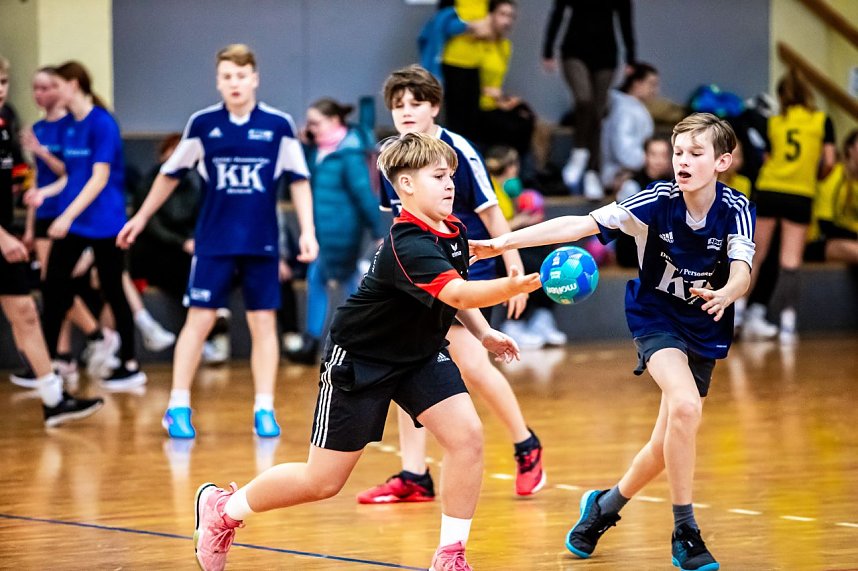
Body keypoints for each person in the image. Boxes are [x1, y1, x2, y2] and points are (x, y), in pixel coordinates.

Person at [191, 132, 541, 571]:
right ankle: (224, 510)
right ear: (406, 186)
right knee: (323, 482)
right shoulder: (408, 244)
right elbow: (459, 292)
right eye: (438, 176)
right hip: (361, 359)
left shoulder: (453, 231)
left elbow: (453, 297)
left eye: (451, 174)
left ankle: (450, 556)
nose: (450, 183)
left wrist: (484, 333)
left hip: (418, 355)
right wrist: (512, 285)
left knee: (467, 438)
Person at [471, 113, 755, 571]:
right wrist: (502, 242)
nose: (682, 160)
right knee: (685, 407)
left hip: (704, 323)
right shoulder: (656, 200)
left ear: (722, 161)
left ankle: (604, 507)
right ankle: (685, 531)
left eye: (695, 153)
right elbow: (577, 226)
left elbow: (742, 267)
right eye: (678, 152)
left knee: (666, 443)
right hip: (656, 316)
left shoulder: (737, 208)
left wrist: (728, 291)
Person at [359, 64, 546, 503]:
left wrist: (512, 268)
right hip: (421, 268)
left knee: (474, 364)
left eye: (415, 103)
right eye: (398, 105)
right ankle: (413, 473)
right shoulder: (394, 155)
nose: (406, 111)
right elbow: (398, 224)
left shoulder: (457, 150)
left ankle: (525, 444)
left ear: (435, 107)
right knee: (409, 362)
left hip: (470, 265)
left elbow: (490, 210)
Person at [117, 44, 318, 439]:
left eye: (241, 76)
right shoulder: (203, 124)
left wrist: (308, 232)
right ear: (218, 81)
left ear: (255, 78)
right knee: (201, 320)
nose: (235, 83)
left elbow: (299, 180)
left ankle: (264, 408)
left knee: (264, 323)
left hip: (261, 243)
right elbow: (170, 174)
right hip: (214, 241)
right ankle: (177, 406)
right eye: (227, 76)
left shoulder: (277, 126)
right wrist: (140, 218)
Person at [26, 61, 144, 389]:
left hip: (105, 221)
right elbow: (71, 176)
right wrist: (43, 192)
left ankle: (131, 364)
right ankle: (47, 366)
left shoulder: (102, 124)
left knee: (113, 288)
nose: (50, 93)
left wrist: (65, 216)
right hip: (76, 220)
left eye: (56, 85)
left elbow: (99, 177)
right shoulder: (69, 127)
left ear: (74, 85)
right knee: (53, 287)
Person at [0, 55, 104, 426]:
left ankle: (53, 399)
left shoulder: (7, 121)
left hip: (10, 230)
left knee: (26, 312)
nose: (0, 92)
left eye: (2, 83)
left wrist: (21, 220)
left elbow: (33, 177)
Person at [285, 97, 385, 364]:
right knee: (340, 281)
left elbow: (365, 195)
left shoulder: (348, 153)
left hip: (342, 231)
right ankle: (354, 342)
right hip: (324, 230)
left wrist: (378, 231)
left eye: (316, 123)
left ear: (333, 121)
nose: (311, 128)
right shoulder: (321, 149)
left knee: (329, 279)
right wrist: (305, 142)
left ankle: (319, 342)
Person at [745, 69, 836, 344]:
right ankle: (787, 324)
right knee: (790, 263)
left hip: (770, 189)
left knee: (755, 254)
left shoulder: (774, 123)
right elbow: (829, 161)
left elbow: (768, 158)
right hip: (800, 193)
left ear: (782, 96)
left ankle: (737, 313)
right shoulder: (822, 120)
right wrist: (814, 177)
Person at [542, 0, 636, 198]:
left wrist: (631, 56)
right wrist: (548, 49)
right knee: (584, 100)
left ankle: (593, 173)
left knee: (598, 112)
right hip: (574, 50)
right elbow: (558, 12)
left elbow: (626, 20)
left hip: (606, 54)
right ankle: (579, 154)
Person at [484, 145, 565, 348]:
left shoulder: (506, 191)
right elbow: (491, 231)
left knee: (552, 257)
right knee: (537, 268)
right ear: (511, 167)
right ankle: (514, 324)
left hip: (508, 247)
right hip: (493, 254)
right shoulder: (489, 190)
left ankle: (542, 318)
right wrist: (521, 220)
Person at [476, 0, 536, 164]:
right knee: (513, 127)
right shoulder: (476, 44)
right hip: (477, 105)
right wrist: (489, 93)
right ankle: (513, 172)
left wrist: (505, 99)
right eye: (502, 14)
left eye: (511, 16)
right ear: (491, 15)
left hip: (495, 103)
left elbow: (496, 84)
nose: (507, 21)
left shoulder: (505, 47)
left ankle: (520, 174)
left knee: (526, 115)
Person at [600, 62, 659, 199]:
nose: (655, 90)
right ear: (636, 83)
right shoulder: (623, 110)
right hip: (619, 173)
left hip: (635, 171)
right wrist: (647, 161)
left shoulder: (634, 108)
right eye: (651, 84)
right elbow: (623, 150)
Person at [614, 136, 672, 268]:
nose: (658, 160)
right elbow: (624, 226)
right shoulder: (632, 185)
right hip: (632, 253)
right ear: (645, 156)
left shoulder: (675, 185)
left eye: (663, 155)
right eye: (653, 154)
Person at [808, 128, 858, 264]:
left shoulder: (855, 183)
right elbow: (825, 224)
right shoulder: (834, 175)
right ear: (850, 149)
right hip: (819, 241)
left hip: (848, 240)